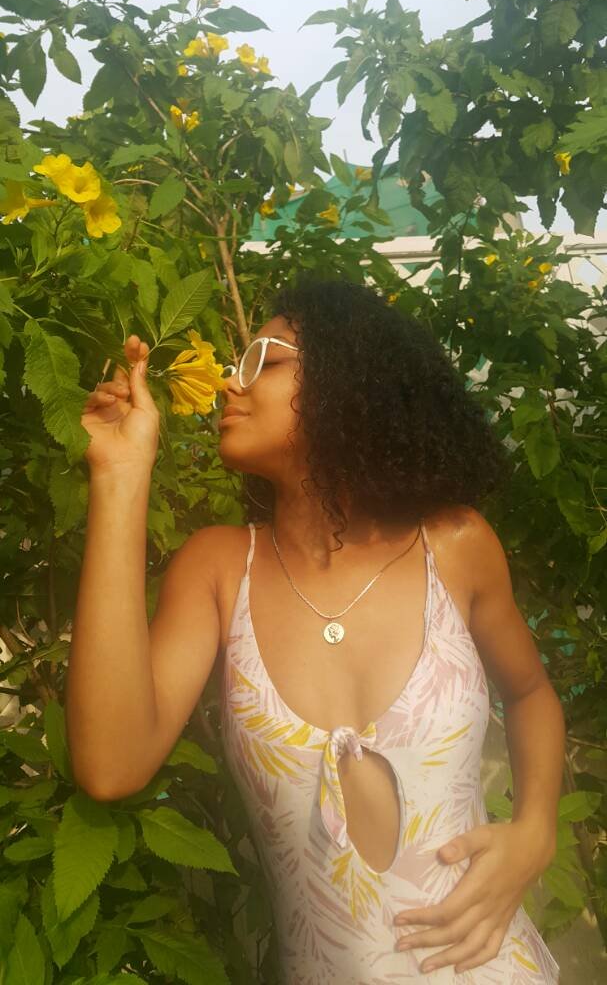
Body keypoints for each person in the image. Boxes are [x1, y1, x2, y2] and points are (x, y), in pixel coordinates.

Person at [68, 276, 563, 983]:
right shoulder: (218, 569)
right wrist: (120, 474)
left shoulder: (454, 545)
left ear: (349, 379)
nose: (228, 385)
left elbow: (531, 693)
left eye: (262, 361)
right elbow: (111, 766)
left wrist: (536, 830)